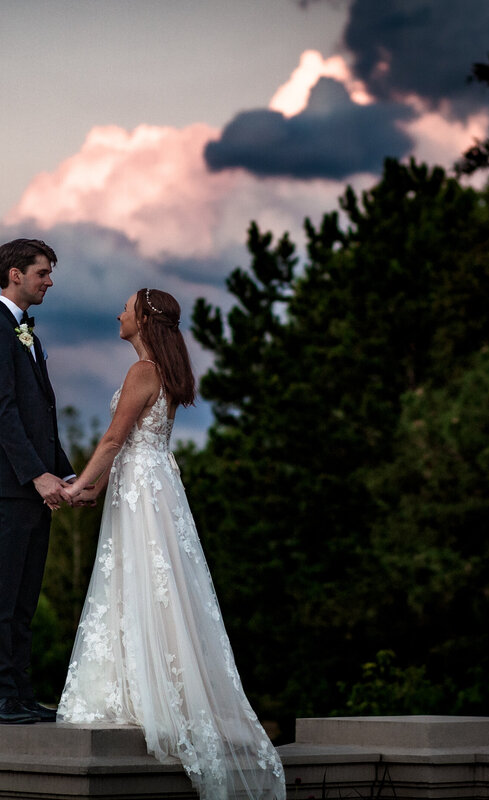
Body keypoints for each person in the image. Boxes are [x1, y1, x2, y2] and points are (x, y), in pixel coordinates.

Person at [57, 289, 287, 799]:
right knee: (159, 586)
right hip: (156, 483)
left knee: (139, 580)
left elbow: (114, 440)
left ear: (142, 319)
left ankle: (147, 696)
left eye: (125, 307)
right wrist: (95, 487)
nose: (118, 313)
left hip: (141, 488)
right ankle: (162, 690)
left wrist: (76, 486)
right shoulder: (164, 371)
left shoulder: (142, 371)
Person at [0, 238, 76, 725]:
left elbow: (42, 416)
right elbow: (2, 412)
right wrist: (37, 474)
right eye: (42, 272)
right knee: (2, 592)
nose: (49, 281)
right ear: (15, 274)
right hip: (7, 485)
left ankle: (22, 693)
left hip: (32, 486)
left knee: (25, 596)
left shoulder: (25, 332)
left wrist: (67, 474)